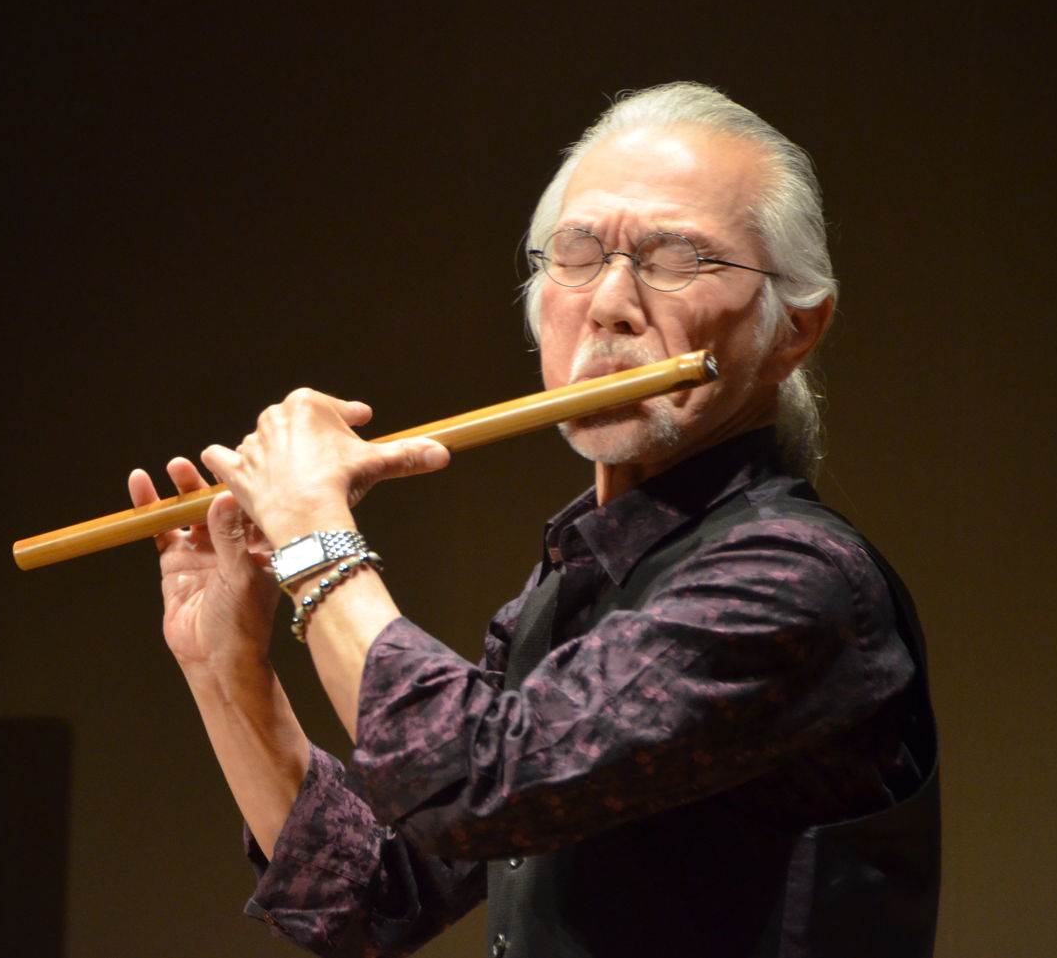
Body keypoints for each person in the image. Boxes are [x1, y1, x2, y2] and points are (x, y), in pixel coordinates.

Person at [128, 82, 938, 958]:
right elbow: (373, 895)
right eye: (578, 255)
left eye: (677, 259)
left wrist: (313, 537)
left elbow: (477, 782)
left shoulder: (794, 578)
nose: (611, 302)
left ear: (795, 330)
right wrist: (226, 665)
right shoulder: (580, 578)